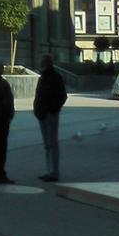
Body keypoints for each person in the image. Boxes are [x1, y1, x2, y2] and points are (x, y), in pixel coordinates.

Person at [33, 54, 67, 182]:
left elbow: (62, 96)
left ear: (46, 63)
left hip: (50, 115)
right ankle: (49, 171)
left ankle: (54, 172)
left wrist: (53, 109)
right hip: (42, 114)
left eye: (42, 62)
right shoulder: (43, 77)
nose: (40, 64)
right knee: (47, 144)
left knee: (52, 144)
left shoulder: (55, 77)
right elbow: (38, 95)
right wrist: (36, 109)